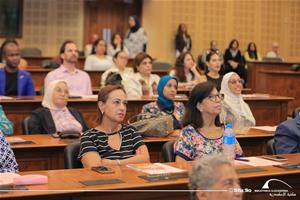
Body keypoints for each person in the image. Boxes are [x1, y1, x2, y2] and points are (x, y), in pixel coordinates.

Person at [78, 85, 150, 167]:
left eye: (125, 103)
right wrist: (134, 159)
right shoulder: (89, 136)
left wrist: (114, 163)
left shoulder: (131, 131)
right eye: (116, 102)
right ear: (102, 105)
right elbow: (95, 167)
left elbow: (146, 160)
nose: (122, 108)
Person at [174, 82, 243, 163]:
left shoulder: (226, 131)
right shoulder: (189, 133)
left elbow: (240, 160)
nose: (218, 100)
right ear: (199, 106)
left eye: (218, 96)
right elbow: (180, 166)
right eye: (211, 97)